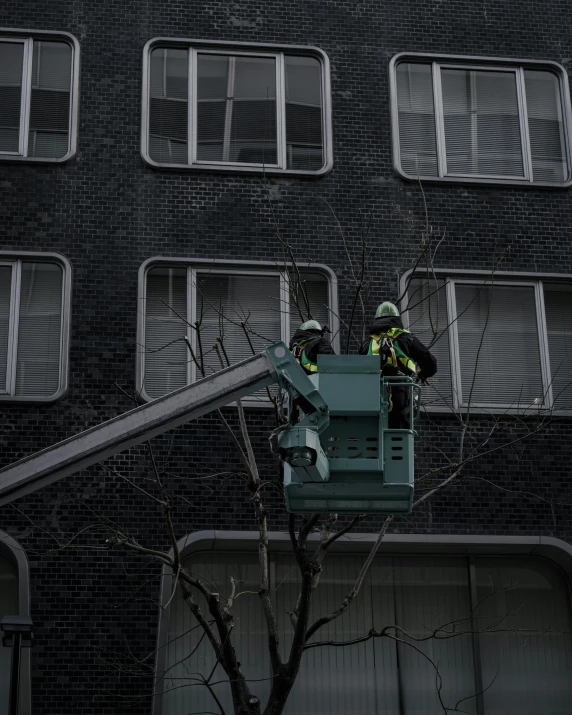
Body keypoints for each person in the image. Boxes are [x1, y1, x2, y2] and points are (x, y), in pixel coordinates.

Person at [359, 301, 437, 428]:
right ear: (397, 319)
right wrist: (423, 374)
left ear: (377, 320)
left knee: (374, 429)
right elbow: (430, 363)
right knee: (399, 429)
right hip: (400, 389)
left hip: (372, 392)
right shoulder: (407, 338)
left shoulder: (367, 343)